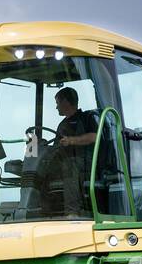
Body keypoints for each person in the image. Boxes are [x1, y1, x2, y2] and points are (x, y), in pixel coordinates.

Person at [38, 87, 99, 217]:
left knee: (70, 165)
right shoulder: (62, 125)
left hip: (87, 162)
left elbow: (94, 137)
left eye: (57, 103)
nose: (56, 107)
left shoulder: (87, 118)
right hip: (65, 162)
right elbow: (56, 148)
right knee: (41, 170)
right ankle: (43, 212)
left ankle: (72, 211)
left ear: (65, 102)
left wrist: (71, 140)